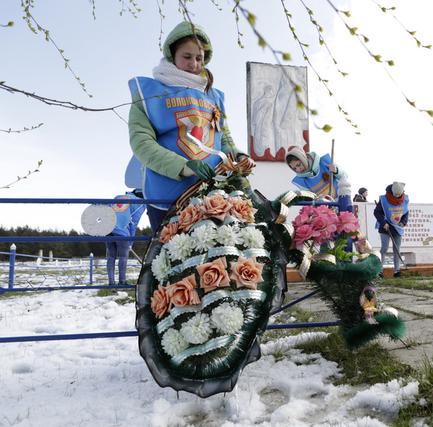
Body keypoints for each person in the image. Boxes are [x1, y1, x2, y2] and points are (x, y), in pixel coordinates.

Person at [128, 21, 255, 232]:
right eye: (187, 57)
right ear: (172, 55)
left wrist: (238, 156)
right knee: (171, 259)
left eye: (199, 58)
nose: (194, 64)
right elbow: (141, 142)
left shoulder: (213, 96)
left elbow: (223, 138)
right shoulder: (148, 92)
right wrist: (183, 166)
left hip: (213, 194)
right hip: (168, 193)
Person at [285, 146, 351, 202]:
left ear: (303, 159)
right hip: (324, 211)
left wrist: (336, 171)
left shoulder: (324, 162)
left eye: (298, 165)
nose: (298, 169)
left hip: (341, 202)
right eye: (294, 168)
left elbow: (344, 176)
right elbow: (310, 200)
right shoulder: (301, 181)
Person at [107, 190, 146, 285]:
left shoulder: (119, 197)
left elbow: (108, 208)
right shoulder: (141, 204)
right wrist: (131, 242)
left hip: (108, 227)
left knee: (111, 256)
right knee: (123, 256)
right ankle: (122, 281)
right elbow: (134, 223)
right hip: (122, 231)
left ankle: (111, 282)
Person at [374, 182, 409, 278]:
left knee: (396, 250)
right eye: (395, 194)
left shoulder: (405, 199)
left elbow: (406, 213)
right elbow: (377, 212)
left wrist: (403, 222)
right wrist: (383, 222)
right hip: (385, 226)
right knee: (384, 249)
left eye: (399, 194)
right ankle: (380, 271)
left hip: (397, 227)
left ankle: (397, 271)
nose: (397, 196)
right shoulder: (384, 199)